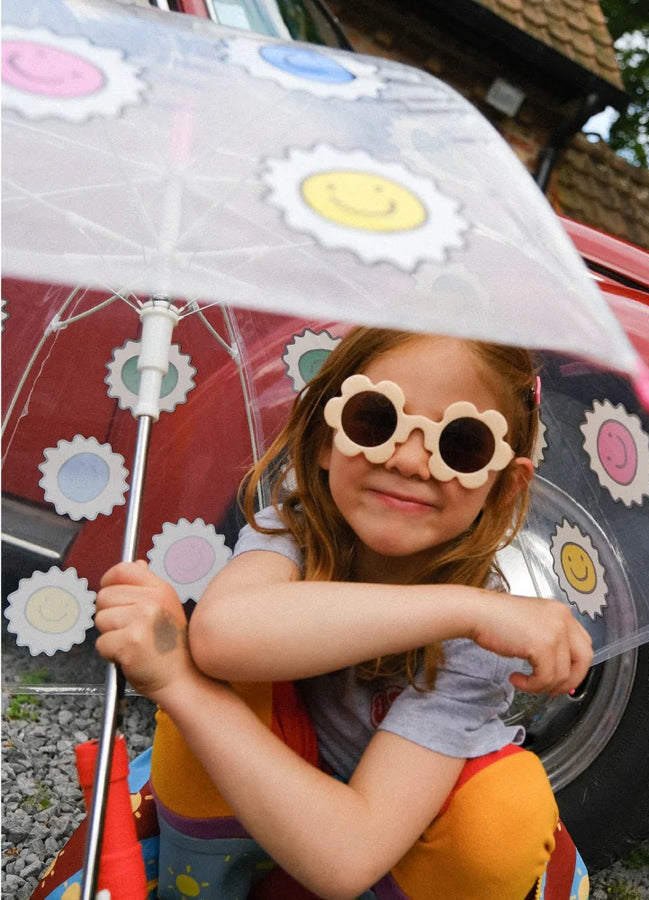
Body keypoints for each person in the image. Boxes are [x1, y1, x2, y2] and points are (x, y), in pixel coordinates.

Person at [94, 327, 594, 900]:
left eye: (461, 444)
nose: (409, 460)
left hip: (384, 847)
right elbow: (222, 636)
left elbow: (347, 857)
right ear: (326, 438)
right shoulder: (297, 531)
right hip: (239, 812)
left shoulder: (479, 643)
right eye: (376, 421)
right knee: (223, 672)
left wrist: (177, 685)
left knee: (505, 811)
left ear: (503, 486)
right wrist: (464, 608)